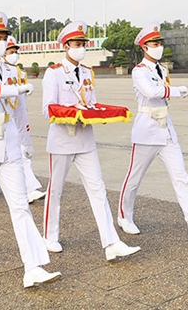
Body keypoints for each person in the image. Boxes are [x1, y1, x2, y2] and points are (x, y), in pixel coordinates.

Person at [0, 11, 60, 288]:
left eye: (4, 38)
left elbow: (19, 112)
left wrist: (25, 143)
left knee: (20, 206)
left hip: (10, 142)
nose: (1, 42)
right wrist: (13, 90)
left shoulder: (11, 71)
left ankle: (33, 266)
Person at [41, 20, 140, 261]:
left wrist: (94, 113)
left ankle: (111, 242)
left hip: (85, 140)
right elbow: (47, 110)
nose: (81, 47)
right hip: (62, 141)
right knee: (56, 190)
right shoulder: (53, 73)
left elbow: (91, 103)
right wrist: (71, 111)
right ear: (66, 46)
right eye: (76, 43)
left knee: (98, 189)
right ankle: (49, 235)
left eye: (83, 44)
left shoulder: (87, 73)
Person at [117, 22, 188, 245]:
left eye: (160, 43)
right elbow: (151, 92)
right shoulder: (139, 71)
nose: (159, 46)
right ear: (144, 47)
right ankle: (124, 216)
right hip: (146, 130)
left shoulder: (162, 69)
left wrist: (171, 93)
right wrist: (175, 91)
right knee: (134, 178)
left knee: (181, 178)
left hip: (165, 128)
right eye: (155, 43)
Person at [0, 36, 46, 203]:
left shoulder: (20, 72)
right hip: (1, 118)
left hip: (18, 118)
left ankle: (31, 189)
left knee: (22, 154)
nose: (14, 54)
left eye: (15, 51)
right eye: (10, 51)